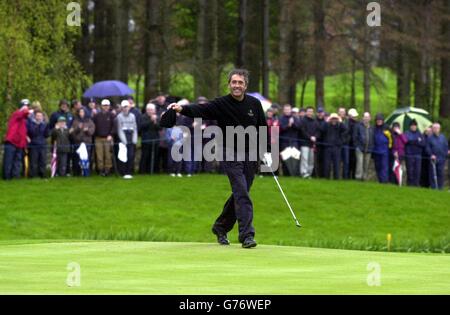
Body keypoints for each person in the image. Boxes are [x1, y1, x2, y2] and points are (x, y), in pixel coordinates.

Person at [165, 69, 268, 249]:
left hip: (251, 155)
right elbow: (200, 109)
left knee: (241, 192)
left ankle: (220, 227)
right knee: (242, 192)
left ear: (245, 86)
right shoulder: (221, 103)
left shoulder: (254, 104)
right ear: (229, 84)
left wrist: (265, 150)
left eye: (240, 83)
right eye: (234, 82)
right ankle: (247, 235)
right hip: (229, 153)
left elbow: (262, 128)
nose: (237, 85)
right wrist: (181, 108)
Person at [3, 100, 32, 180]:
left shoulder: (24, 120)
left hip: (20, 143)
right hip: (11, 142)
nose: (27, 108)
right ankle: (7, 177)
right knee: (8, 161)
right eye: (25, 106)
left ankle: (15, 177)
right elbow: (24, 113)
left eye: (28, 106)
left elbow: (22, 131)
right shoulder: (16, 114)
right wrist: (29, 110)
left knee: (17, 161)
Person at [321, 113, 347, 180]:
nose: (334, 120)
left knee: (337, 164)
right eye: (333, 119)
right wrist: (326, 121)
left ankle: (336, 178)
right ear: (330, 119)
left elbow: (346, 130)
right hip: (328, 147)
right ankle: (326, 177)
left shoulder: (339, 126)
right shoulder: (327, 125)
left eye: (335, 119)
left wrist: (341, 122)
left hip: (337, 147)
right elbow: (321, 129)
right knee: (327, 164)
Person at [70, 108, 95, 176]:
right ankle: (77, 172)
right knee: (77, 158)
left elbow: (92, 131)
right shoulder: (75, 121)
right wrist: (78, 128)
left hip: (87, 142)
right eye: (80, 112)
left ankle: (86, 172)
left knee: (87, 157)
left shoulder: (89, 121)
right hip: (78, 142)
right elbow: (72, 132)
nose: (81, 113)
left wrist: (87, 130)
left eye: (83, 112)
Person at [116, 100, 138, 179]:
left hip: (131, 137)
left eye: (126, 107)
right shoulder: (119, 116)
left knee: (131, 155)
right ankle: (123, 172)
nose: (125, 108)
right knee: (123, 156)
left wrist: (134, 139)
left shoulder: (132, 116)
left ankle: (129, 172)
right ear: (122, 108)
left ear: (129, 107)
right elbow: (119, 129)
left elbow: (135, 128)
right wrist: (124, 141)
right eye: (124, 107)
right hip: (123, 138)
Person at [94, 99, 115, 176]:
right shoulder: (96, 115)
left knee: (108, 155)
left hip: (108, 138)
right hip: (98, 138)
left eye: (107, 105)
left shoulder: (112, 115)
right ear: (101, 106)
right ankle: (101, 170)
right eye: (104, 105)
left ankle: (108, 170)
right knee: (99, 155)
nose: (106, 107)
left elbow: (114, 126)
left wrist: (111, 134)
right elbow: (94, 126)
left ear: (109, 106)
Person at [27, 111, 50, 178]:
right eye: (38, 116)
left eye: (40, 116)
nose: (39, 117)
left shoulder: (45, 124)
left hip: (42, 145)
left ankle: (42, 175)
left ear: (42, 117)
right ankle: (32, 175)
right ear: (35, 116)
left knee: (42, 161)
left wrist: (47, 127)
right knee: (33, 161)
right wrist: (37, 126)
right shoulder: (32, 124)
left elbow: (47, 135)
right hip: (34, 145)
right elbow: (31, 133)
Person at [139, 103, 161, 174]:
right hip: (146, 140)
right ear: (146, 110)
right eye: (149, 110)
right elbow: (142, 126)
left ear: (154, 110)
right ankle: (142, 171)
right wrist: (151, 121)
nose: (150, 111)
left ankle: (153, 170)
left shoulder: (157, 118)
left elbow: (160, 128)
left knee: (155, 156)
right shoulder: (142, 117)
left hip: (155, 140)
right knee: (145, 156)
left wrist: (155, 122)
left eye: (152, 110)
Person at [426, 123, 448, 190]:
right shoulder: (429, 138)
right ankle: (433, 187)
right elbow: (427, 148)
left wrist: (447, 152)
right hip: (433, 159)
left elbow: (446, 146)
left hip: (442, 158)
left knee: (440, 173)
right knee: (433, 174)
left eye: (437, 128)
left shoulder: (443, 137)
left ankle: (440, 188)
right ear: (432, 129)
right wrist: (431, 155)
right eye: (434, 128)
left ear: (439, 129)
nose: (435, 129)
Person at [279, 104, 300, 176]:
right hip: (284, 142)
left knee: (294, 157)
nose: (287, 111)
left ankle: (294, 174)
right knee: (285, 158)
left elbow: (298, 128)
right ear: (283, 110)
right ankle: (286, 174)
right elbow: (280, 128)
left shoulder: (295, 118)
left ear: (291, 110)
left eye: (288, 109)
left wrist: (293, 124)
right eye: (286, 109)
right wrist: (288, 125)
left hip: (294, 141)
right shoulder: (281, 118)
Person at [299, 107, 319, 179]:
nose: (310, 113)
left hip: (312, 144)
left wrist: (315, 137)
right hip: (304, 143)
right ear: (306, 112)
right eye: (309, 111)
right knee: (305, 159)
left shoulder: (315, 121)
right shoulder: (303, 120)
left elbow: (318, 131)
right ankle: (304, 173)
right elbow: (302, 131)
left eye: (311, 111)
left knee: (311, 160)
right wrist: (310, 137)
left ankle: (309, 173)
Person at [353, 112, 374, 181]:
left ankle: (364, 178)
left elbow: (373, 138)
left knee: (366, 165)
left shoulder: (371, 128)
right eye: (365, 117)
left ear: (370, 118)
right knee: (360, 164)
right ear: (363, 118)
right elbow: (355, 137)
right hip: (360, 148)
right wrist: (357, 146)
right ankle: (358, 177)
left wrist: (372, 147)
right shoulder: (358, 126)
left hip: (369, 149)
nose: (366, 118)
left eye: (367, 117)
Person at [404, 120, 425, 187]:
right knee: (410, 170)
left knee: (417, 170)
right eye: (412, 126)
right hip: (409, 154)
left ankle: (416, 184)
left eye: (415, 126)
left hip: (418, 155)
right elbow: (406, 141)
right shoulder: (406, 133)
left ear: (416, 126)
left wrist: (413, 142)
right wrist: (416, 141)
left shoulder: (420, 134)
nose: (413, 127)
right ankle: (410, 184)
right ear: (410, 126)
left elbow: (423, 144)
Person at [373, 114, 392, 184]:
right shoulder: (374, 128)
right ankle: (380, 180)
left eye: (380, 120)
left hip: (385, 150)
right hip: (376, 150)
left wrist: (390, 147)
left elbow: (391, 139)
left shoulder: (387, 127)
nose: (379, 121)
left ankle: (384, 181)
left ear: (382, 121)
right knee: (377, 166)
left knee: (384, 166)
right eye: (377, 120)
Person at [347, 108, 359, 179]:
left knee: (354, 162)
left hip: (355, 145)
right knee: (349, 162)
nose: (355, 117)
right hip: (349, 145)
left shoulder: (357, 123)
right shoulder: (348, 123)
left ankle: (353, 176)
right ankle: (348, 176)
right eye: (354, 116)